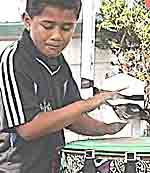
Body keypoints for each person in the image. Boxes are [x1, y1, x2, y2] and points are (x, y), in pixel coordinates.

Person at [0, 0, 127, 172]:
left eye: (67, 28)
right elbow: (28, 128)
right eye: (48, 26)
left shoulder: (58, 61)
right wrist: (88, 103)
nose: (57, 36)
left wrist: (107, 128)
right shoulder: (13, 60)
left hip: (53, 165)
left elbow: (70, 116)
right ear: (27, 21)